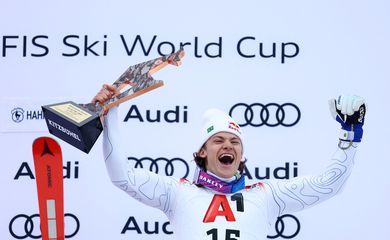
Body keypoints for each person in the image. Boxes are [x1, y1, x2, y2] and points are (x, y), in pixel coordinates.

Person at [92, 84, 366, 240]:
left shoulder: (266, 195)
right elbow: (122, 176)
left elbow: (329, 185)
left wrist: (350, 136)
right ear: (201, 152)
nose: (228, 145)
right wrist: (111, 113)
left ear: (242, 155)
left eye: (235, 142)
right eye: (218, 140)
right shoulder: (177, 192)